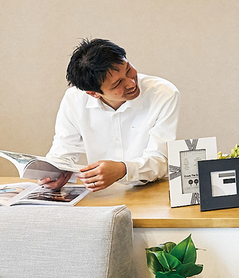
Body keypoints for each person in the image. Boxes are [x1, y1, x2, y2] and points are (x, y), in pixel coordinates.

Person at [42, 38, 179, 192]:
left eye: (128, 69)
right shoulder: (74, 99)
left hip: (153, 190)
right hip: (101, 194)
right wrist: (55, 173)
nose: (131, 83)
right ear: (93, 93)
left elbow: (161, 159)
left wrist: (123, 170)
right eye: (117, 84)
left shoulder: (163, 93)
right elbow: (63, 149)